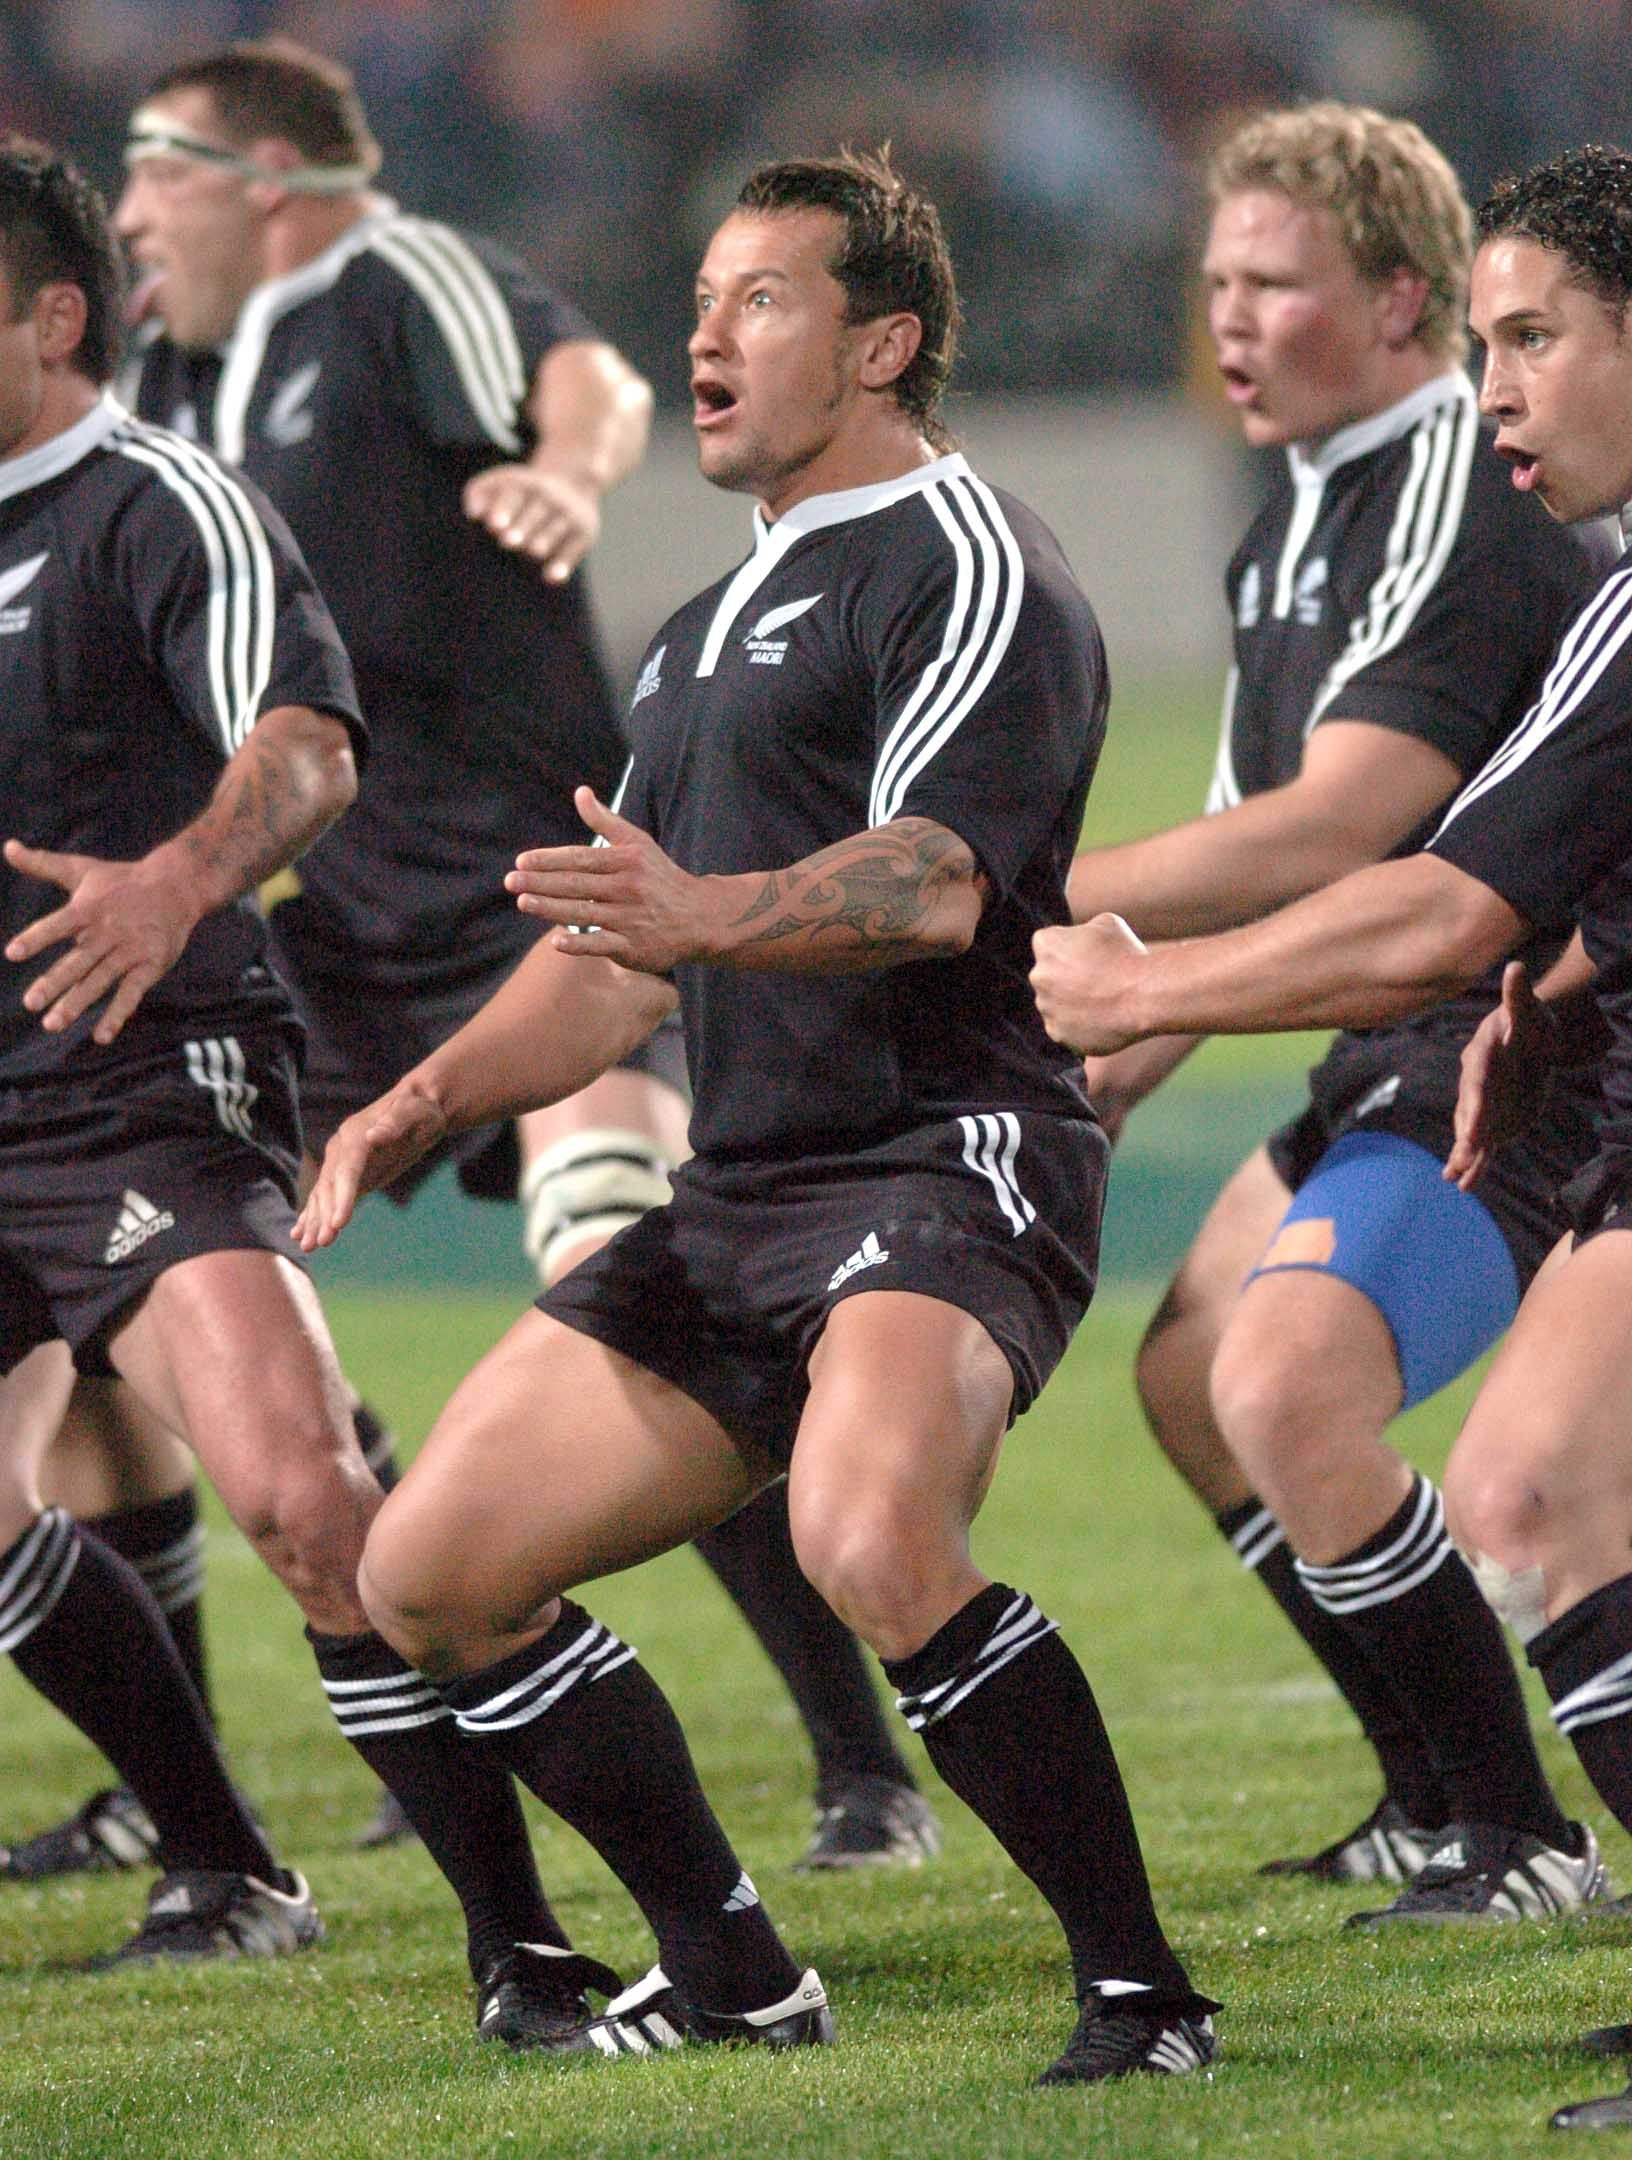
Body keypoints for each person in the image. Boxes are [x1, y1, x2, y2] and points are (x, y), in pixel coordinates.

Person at [294, 148, 1221, 2083]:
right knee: (425, 1573)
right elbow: (627, 962)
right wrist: (418, 1098)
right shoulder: (706, 625)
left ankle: (1145, 1997)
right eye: (703, 301)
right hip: (748, 1191)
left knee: (868, 1536)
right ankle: (730, 1968)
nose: (705, 337)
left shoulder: (966, 558)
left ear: (882, 342)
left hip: (946, 1151)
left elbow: (937, 883)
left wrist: (706, 917)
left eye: (763, 302)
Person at [0, 34, 938, 1880]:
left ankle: (860, 1763)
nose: (139, 208)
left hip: (538, 907)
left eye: (164, 168)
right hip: (330, 938)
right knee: (157, 1342)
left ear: (272, 176)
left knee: (635, 1282)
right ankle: (247, 1743)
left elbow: (578, 372)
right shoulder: (180, 374)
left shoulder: (388, 274)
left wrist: (572, 480)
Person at [1032, 139, 1632, 2130]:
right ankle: (1448, 1793)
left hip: (1456, 1033)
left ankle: (1513, 1823)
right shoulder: (1304, 523)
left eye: (1530, 336)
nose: (1501, 391)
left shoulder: (1478, 517)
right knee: (1219, 1384)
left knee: (1409, 1440)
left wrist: (1062, 938)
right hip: (1484, 1042)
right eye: (1491, 345)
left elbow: (1391, 860)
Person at [0, 133, 617, 2023]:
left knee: (302, 1505)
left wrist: (182, 869)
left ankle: (532, 1930)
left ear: (51, 315)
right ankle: (225, 1861)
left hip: (140, 1073)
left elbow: (308, 742)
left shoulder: (160, 500)